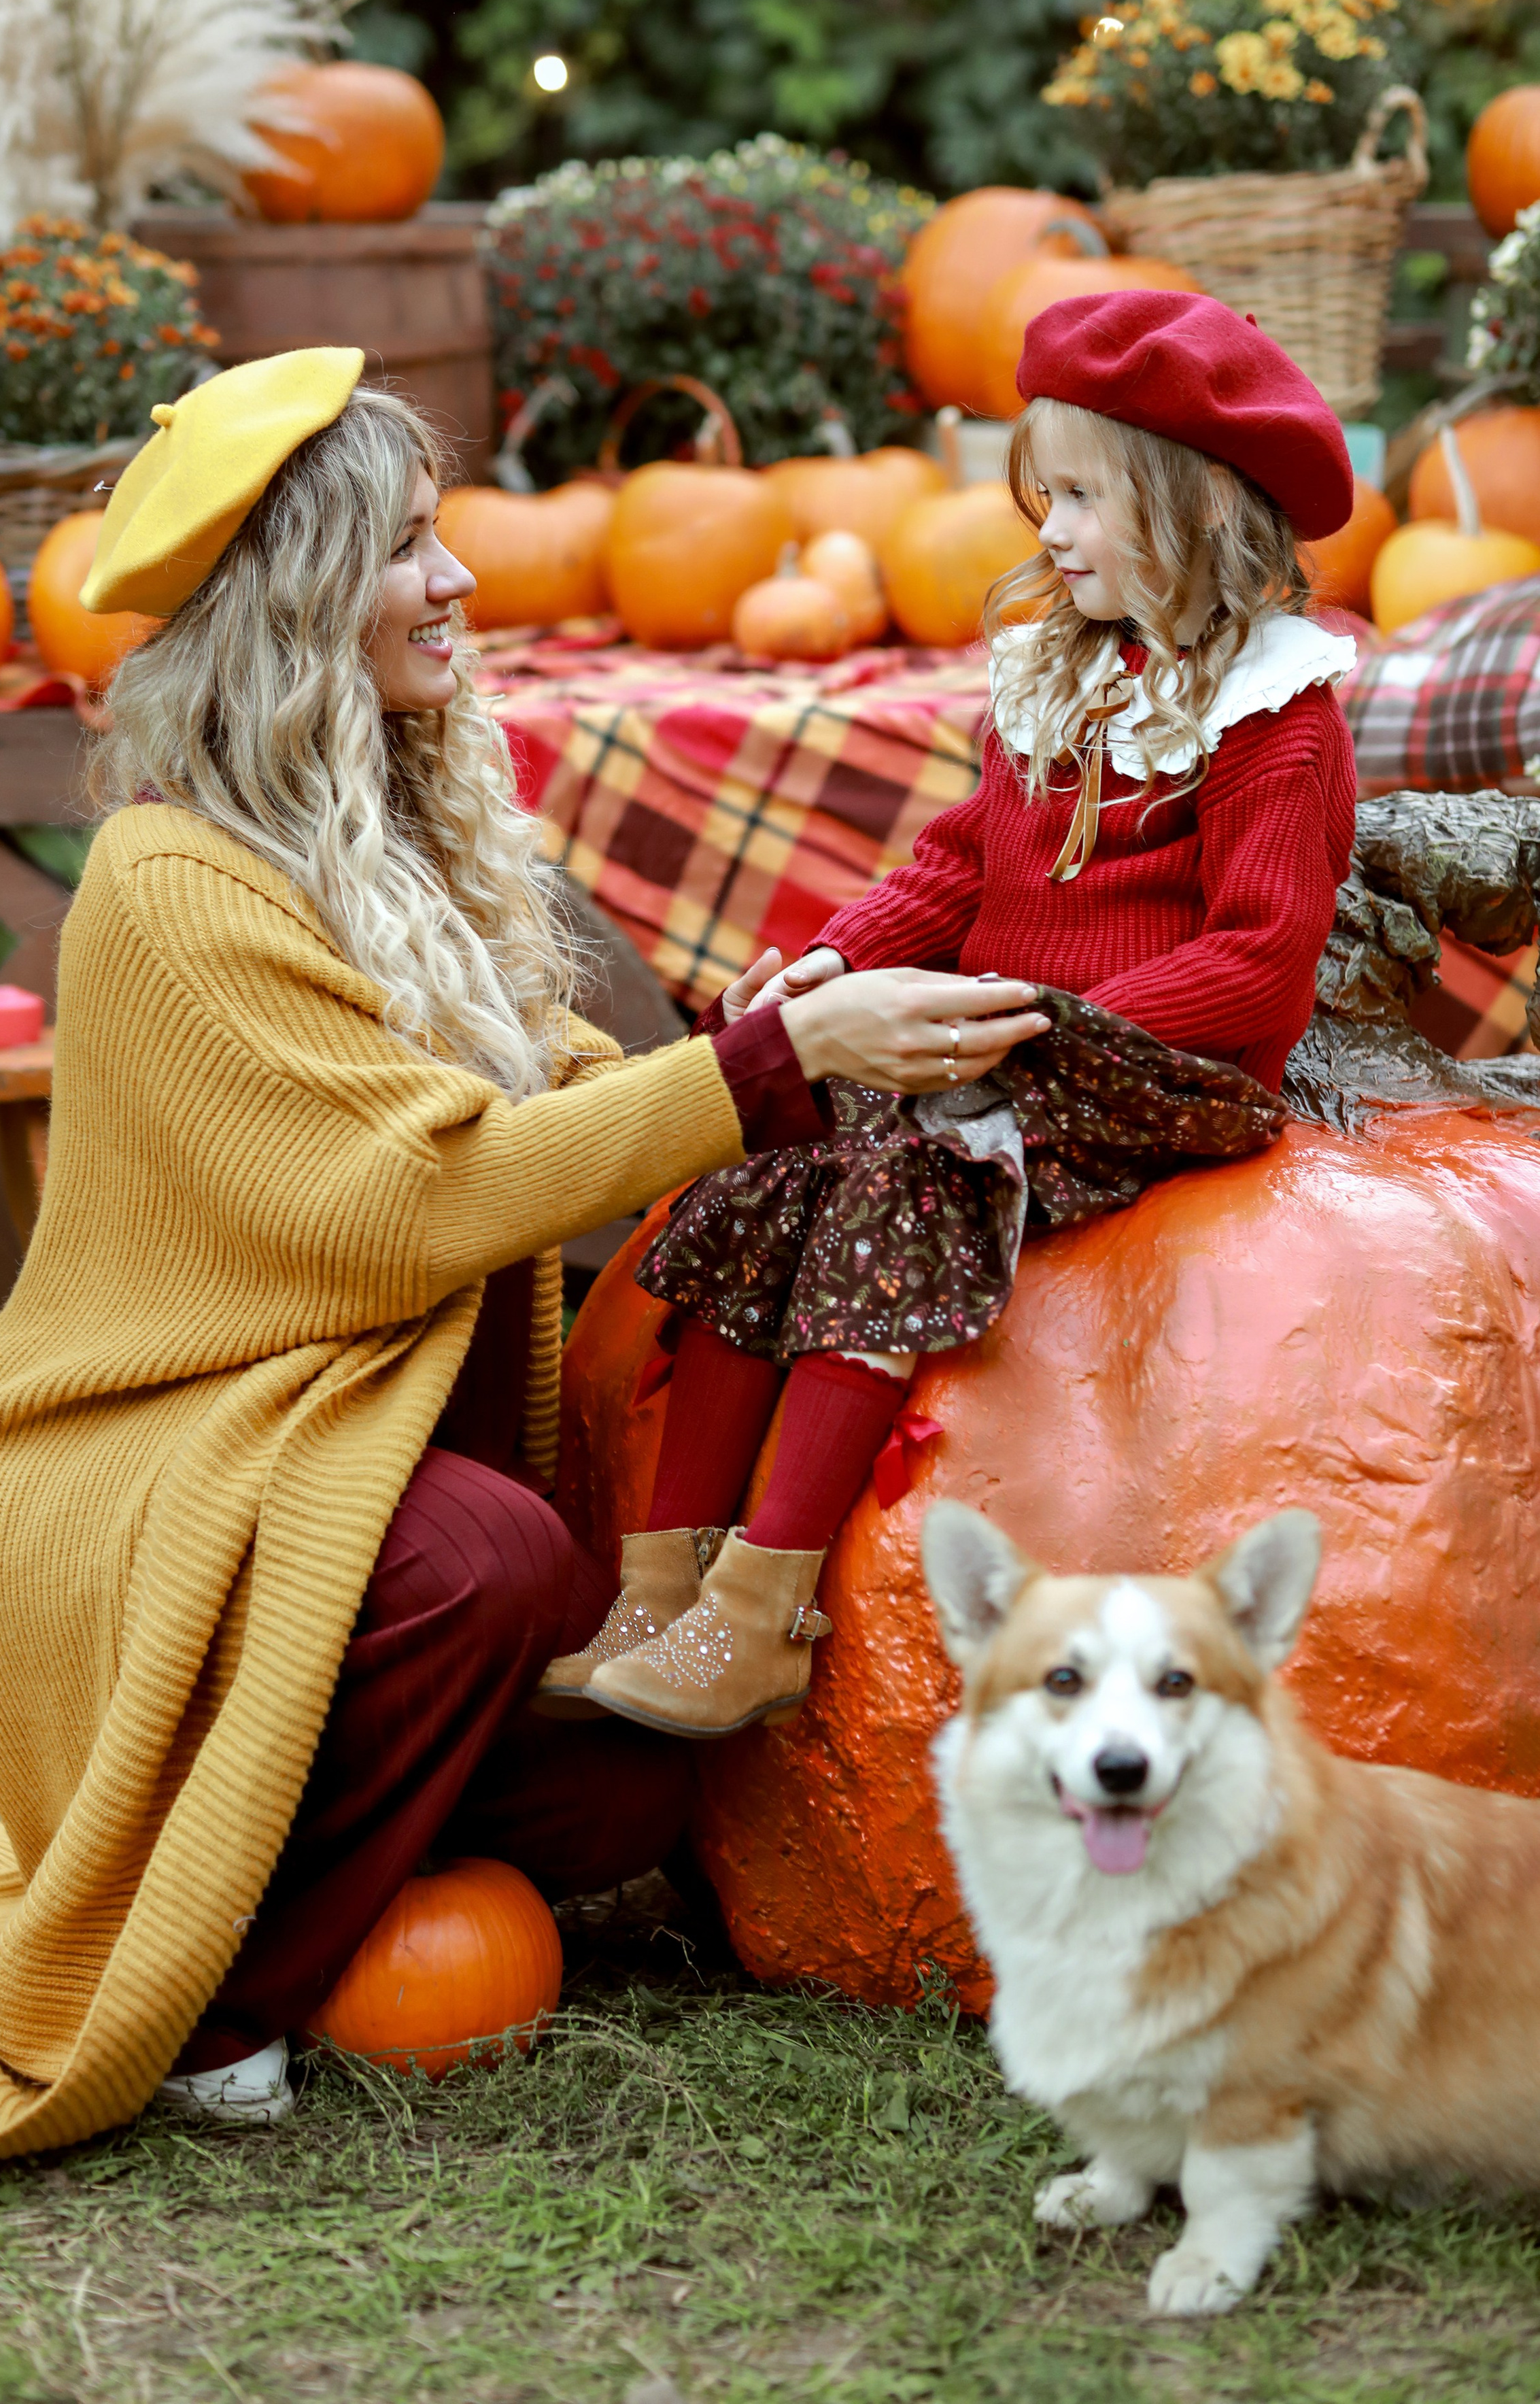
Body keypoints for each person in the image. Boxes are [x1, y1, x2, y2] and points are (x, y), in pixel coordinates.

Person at [0, 348, 1038, 2179]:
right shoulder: (170, 882)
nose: (458, 582)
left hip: (358, 1456)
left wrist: (754, 1050)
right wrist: (762, 1074)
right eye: (402, 546)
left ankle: (293, 1838)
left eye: (444, 535)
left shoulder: (400, 829)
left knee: (631, 1779)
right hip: (173, 1464)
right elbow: (409, 1196)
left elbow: (534, 1089)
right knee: (492, 1562)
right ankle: (216, 2003)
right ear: (295, 600)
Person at [549, 289, 1359, 1742]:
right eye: (1038, 495)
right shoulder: (1058, 675)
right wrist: (823, 968)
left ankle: (760, 1612)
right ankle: (656, 1586)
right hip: (1010, 1042)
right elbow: (953, 871)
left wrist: (1042, 1023)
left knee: (901, 1184)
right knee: (771, 1160)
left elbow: (1260, 957)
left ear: (1188, 513)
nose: (1045, 532)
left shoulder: (1272, 714)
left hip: (1155, 1072)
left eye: (1082, 500)